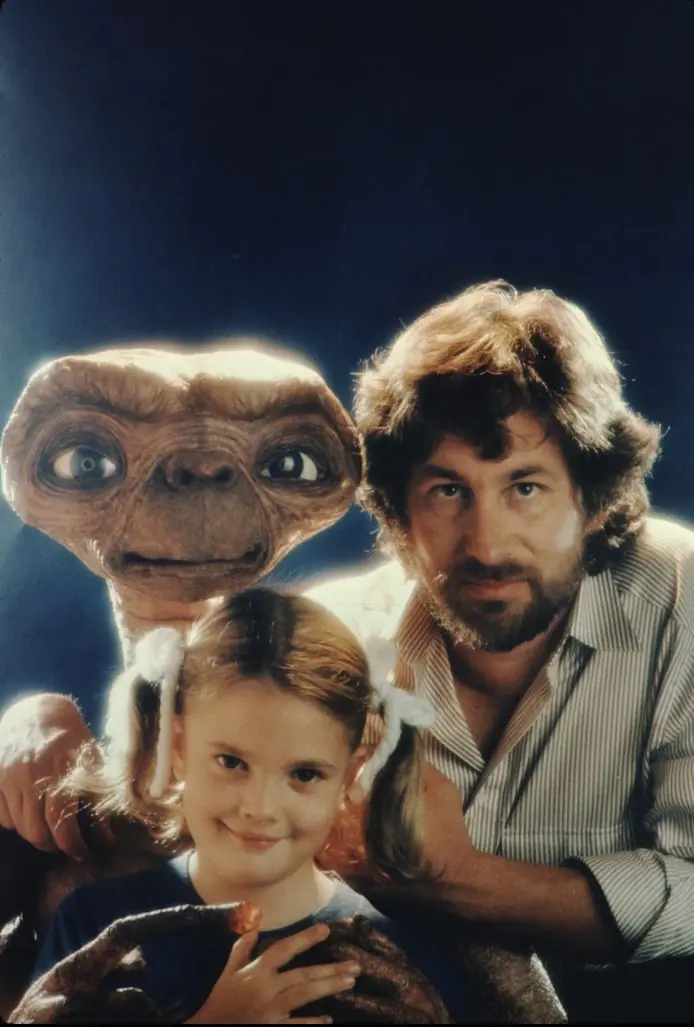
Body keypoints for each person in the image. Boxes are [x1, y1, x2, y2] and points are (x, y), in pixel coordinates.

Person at [304, 280, 694, 1022]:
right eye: (448, 491)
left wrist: (453, 879)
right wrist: (27, 722)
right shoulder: (333, 633)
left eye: (525, 487)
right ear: (396, 506)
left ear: (595, 498)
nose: (486, 545)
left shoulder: (683, 597)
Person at [29, 587, 459, 1024]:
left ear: (351, 776)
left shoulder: (397, 961)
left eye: (305, 774)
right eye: (231, 762)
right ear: (176, 746)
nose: (260, 808)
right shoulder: (97, 927)